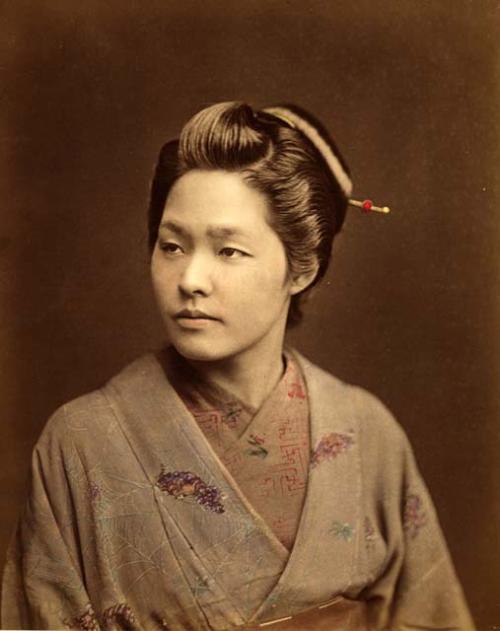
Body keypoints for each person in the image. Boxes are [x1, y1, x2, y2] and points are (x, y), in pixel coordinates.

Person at [1, 102, 474, 630]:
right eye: (172, 246)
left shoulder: (367, 433)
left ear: (302, 269)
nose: (191, 279)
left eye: (228, 251)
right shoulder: (81, 443)